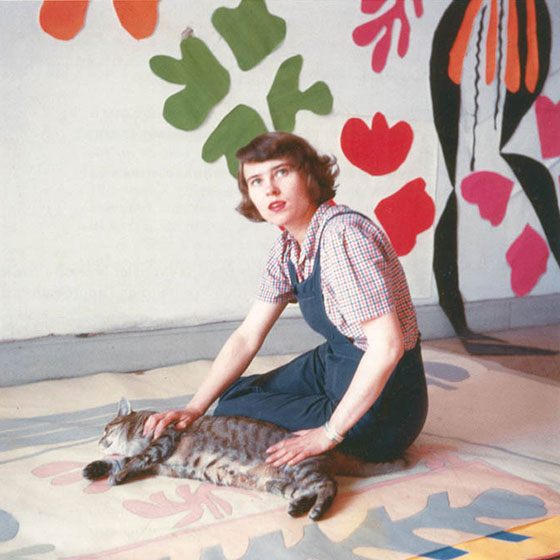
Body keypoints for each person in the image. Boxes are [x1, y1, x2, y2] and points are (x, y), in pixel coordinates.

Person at [144, 132, 427, 467]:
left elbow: (388, 347)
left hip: (388, 405)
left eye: (282, 172)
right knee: (235, 396)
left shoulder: (342, 236)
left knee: (239, 411)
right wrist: (194, 408)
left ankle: (335, 442)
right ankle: (321, 419)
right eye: (256, 181)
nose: (270, 190)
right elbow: (247, 336)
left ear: (309, 177)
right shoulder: (287, 248)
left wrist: (328, 433)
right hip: (336, 362)